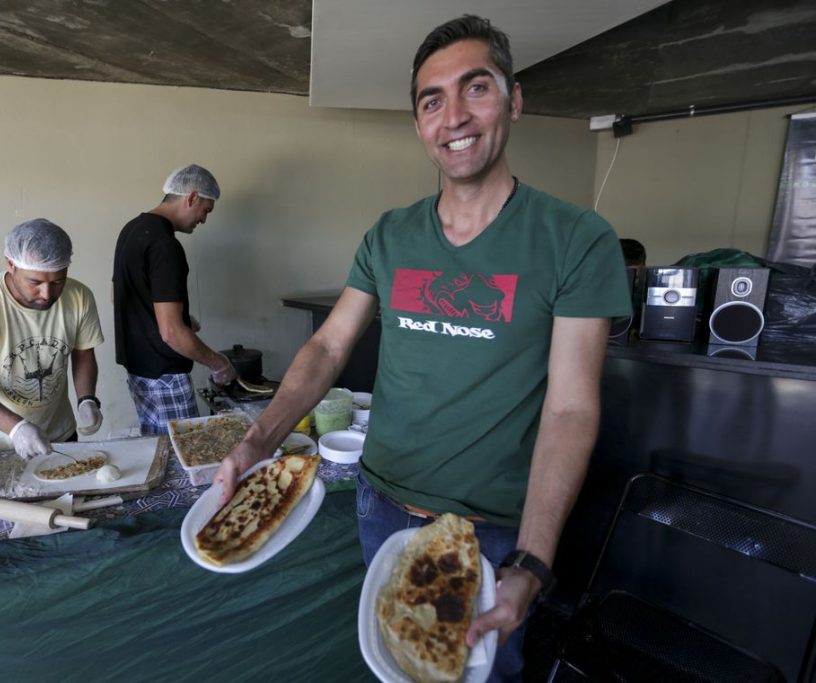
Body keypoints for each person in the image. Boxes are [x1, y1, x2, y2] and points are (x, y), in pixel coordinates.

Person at [213, 15, 630, 682]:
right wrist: (258, 440)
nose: (454, 116)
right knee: (395, 662)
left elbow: (572, 408)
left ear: (514, 100)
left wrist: (532, 559)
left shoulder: (576, 239)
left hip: (491, 529)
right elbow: (326, 347)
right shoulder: (390, 234)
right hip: (381, 504)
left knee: (476, 675)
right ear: (418, 124)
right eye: (432, 100)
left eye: (477, 88)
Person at [0, 219, 105, 457]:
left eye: (57, 282)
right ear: (11, 264)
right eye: (35, 282)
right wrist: (16, 428)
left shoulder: (79, 296)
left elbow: (83, 355)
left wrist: (87, 399)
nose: (47, 294)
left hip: (58, 434)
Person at [112, 164, 236, 436]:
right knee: (184, 456)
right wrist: (219, 364)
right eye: (206, 210)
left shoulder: (132, 229)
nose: (203, 220)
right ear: (191, 198)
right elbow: (170, 333)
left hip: (139, 372)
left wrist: (178, 316)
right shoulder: (165, 245)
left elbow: (121, 297)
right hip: (165, 375)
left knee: (158, 451)